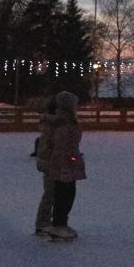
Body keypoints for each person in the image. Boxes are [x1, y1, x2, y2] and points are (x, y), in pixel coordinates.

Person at [43, 91, 86, 239]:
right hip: (64, 163)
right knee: (63, 194)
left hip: (69, 161)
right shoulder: (63, 122)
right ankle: (58, 225)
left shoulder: (68, 120)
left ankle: (62, 223)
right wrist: (66, 164)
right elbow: (61, 146)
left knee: (68, 194)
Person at [33, 95, 61, 235]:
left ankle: (46, 221)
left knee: (53, 193)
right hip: (51, 162)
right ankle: (43, 222)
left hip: (51, 161)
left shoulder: (52, 123)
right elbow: (47, 146)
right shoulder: (52, 125)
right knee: (50, 193)